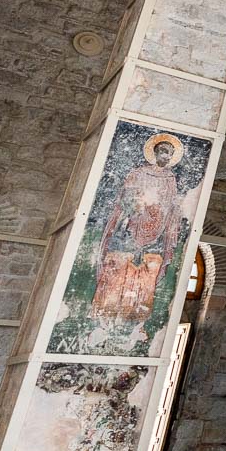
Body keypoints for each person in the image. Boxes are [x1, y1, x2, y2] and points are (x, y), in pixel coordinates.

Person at [89, 134, 187, 326]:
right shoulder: (138, 173)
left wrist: (163, 215)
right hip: (131, 225)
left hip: (156, 230)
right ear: (155, 152)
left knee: (146, 271)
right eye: (163, 151)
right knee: (119, 265)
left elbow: (171, 207)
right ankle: (106, 312)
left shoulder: (170, 179)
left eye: (170, 153)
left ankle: (135, 316)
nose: (166, 156)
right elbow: (126, 198)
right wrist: (138, 207)